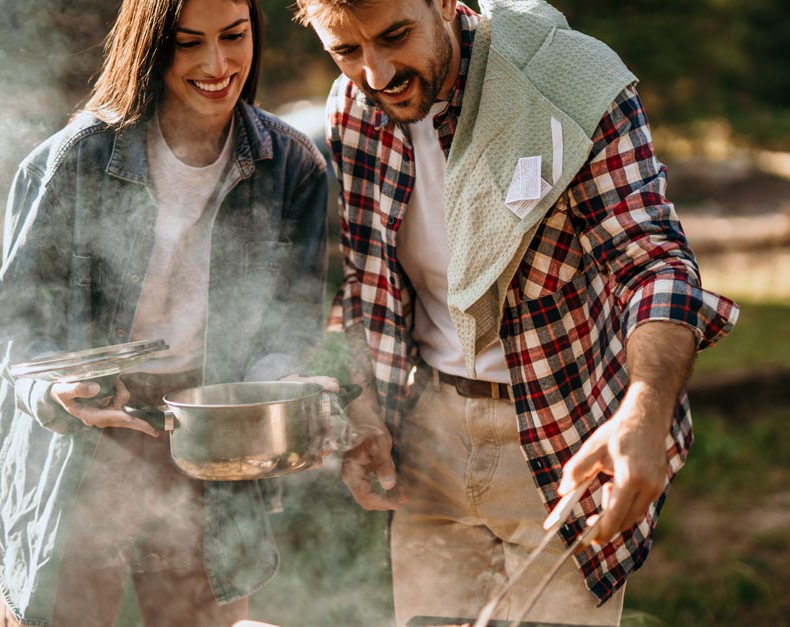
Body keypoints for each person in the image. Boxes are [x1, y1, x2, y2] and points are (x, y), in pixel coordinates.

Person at [294, 0, 740, 625]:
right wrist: (360, 400)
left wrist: (642, 412)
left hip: (561, 439)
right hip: (426, 443)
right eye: (346, 50)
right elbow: (369, 284)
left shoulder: (571, 89)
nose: (376, 73)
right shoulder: (354, 108)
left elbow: (652, 267)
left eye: (396, 35)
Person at [0, 0, 331, 624]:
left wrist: (286, 384)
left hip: (207, 439)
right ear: (150, 46)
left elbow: (290, 320)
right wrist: (56, 390)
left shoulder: (292, 165)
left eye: (233, 36)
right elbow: (12, 324)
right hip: (81, 440)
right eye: (188, 43)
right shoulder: (77, 158)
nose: (216, 64)